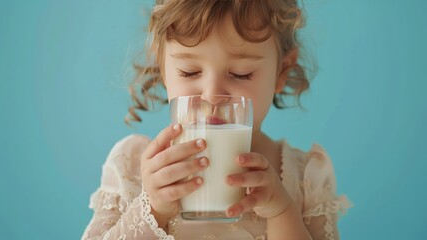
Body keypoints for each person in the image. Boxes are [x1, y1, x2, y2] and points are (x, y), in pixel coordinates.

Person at [82, 0, 351, 239]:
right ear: (163, 68)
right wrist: (153, 208)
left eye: (241, 73)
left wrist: (282, 212)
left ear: (281, 72)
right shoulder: (132, 165)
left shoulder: (305, 177)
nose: (212, 96)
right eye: (189, 72)